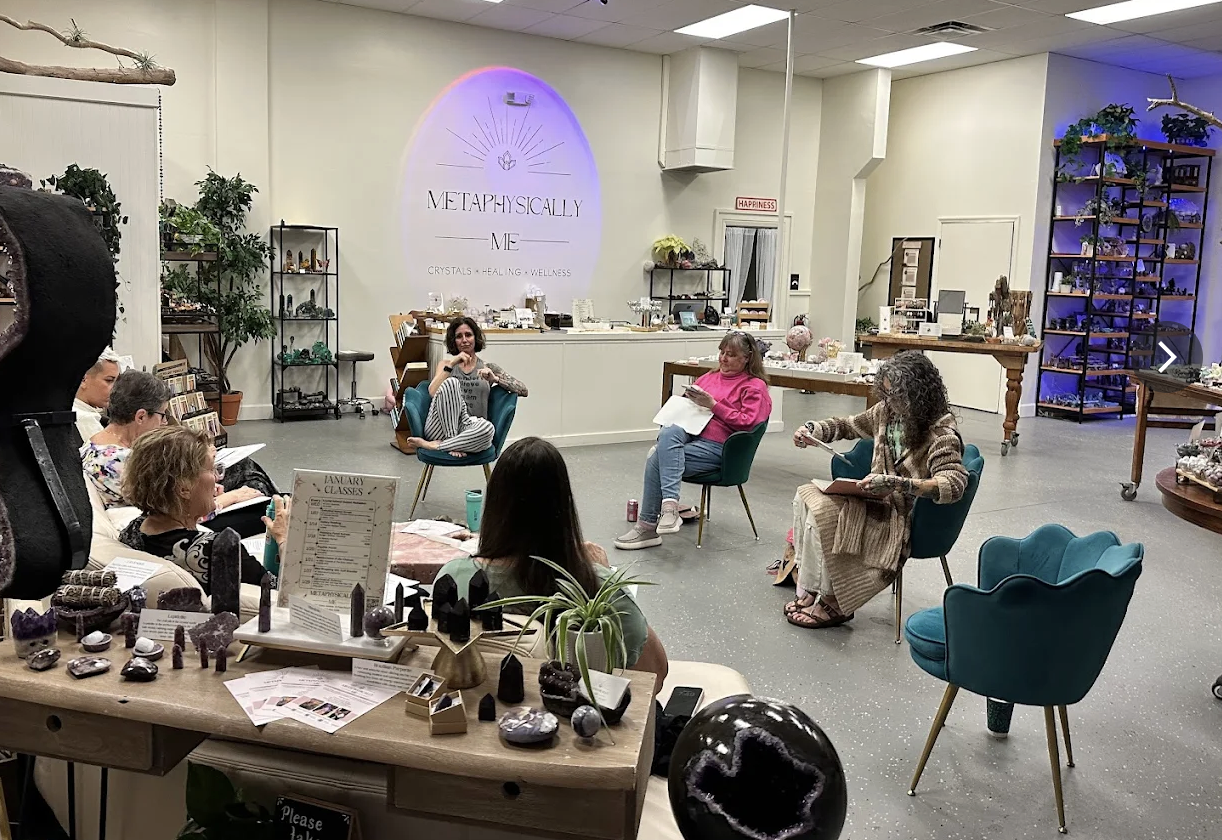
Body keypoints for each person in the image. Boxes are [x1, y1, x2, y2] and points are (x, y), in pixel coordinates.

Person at [436, 436, 669, 690]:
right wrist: (604, 575)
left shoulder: (454, 577)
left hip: (478, 704)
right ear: (563, 506)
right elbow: (655, 676)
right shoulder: (596, 587)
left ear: (494, 503)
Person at [784, 351, 968, 629]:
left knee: (824, 513)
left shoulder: (941, 435)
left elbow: (953, 484)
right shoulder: (886, 413)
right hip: (876, 500)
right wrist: (814, 430)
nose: (890, 402)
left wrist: (898, 484)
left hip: (900, 515)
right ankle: (811, 587)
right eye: (887, 395)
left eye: (897, 396)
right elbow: (847, 425)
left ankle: (835, 602)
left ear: (919, 395)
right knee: (805, 496)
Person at [615, 331, 773, 550]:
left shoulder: (754, 386)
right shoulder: (709, 377)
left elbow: (747, 423)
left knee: (657, 457)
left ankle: (649, 525)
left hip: (722, 449)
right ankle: (669, 508)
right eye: (722, 352)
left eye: (731, 354)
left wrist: (713, 405)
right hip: (691, 437)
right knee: (670, 431)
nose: (723, 358)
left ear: (747, 358)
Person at [82, 370, 274, 537]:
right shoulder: (123, 462)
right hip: (175, 528)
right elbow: (175, 513)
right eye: (162, 415)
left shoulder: (96, 443)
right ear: (141, 416)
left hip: (163, 515)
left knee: (245, 469)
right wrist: (230, 498)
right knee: (263, 506)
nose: (165, 422)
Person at [118, 426, 289, 595]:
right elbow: (283, 591)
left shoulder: (133, 531)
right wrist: (284, 539)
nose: (216, 478)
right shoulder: (218, 549)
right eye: (211, 469)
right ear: (184, 488)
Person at [406, 316, 528, 457]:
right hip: (439, 428)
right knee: (452, 383)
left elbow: (523, 390)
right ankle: (451, 439)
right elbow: (432, 392)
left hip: (469, 430)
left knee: (488, 428)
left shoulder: (488, 367)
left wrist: (495, 379)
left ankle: (437, 446)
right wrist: (452, 364)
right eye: (459, 336)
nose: (464, 340)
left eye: (468, 335)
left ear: (475, 338)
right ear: (454, 341)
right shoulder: (446, 365)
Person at [74, 348, 122, 441]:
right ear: (83, 379)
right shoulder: (86, 419)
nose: (115, 388)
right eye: (109, 380)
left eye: (116, 381)